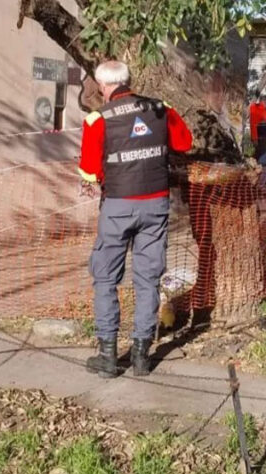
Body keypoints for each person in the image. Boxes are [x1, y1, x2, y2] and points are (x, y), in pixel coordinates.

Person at [78, 60, 193, 378]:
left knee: (105, 277)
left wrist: (107, 171)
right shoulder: (161, 108)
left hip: (117, 205)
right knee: (148, 278)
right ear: (129, 80)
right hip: (156, 204)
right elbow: (184, 143)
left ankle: (109, 356)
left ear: (103, 86)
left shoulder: (97, 119)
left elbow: (89, 171)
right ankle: (142, 356)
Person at [249, 94, 266, 160]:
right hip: (259, 137)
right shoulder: (255, 108)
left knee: (262, 152)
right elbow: (253, 125)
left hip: (264, 137)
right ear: (263, 101)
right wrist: (255, 139)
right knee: (260, 153)